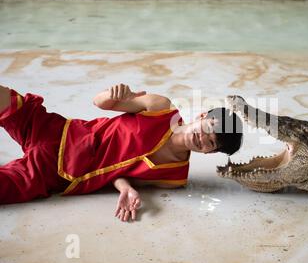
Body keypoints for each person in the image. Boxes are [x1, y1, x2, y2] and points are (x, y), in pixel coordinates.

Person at [0, 83, 242, 222]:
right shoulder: (161, 108)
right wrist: (113, 94)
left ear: (210, 153)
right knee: (8, 101)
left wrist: (126, 189)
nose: (202, 139)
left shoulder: (174, 177)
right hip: (59, 132)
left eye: (211, 143)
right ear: (202, 116)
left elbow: (120, 173)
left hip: (57, 176)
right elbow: (100, 102)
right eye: (208, 129)